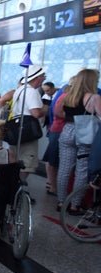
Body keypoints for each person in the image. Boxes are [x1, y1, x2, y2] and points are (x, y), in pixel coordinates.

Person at [55, 69, 101, 214]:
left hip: (67, 130)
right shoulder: (94, 98)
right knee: (81, 170)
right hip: (85, 134)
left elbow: (58, 112)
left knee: (64, 169)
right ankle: (75, 205)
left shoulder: (67, 96)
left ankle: (62, 202)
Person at [10, 65, 48, 192]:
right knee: (28, 162)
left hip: (17, 128)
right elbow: (36, 113)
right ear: (37, 77)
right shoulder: (31, 91)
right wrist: (45, 109)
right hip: (27, 130)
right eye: (43, 76)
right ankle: (17, 190)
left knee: (15, 159)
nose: (44, 79)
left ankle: (13, 188)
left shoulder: (20, 89)